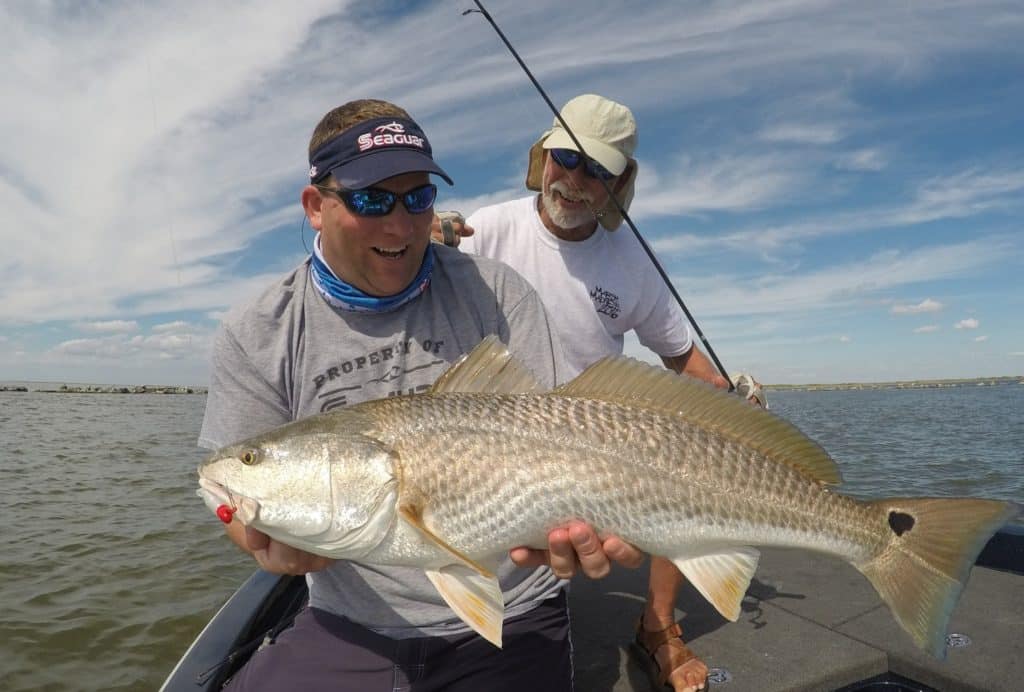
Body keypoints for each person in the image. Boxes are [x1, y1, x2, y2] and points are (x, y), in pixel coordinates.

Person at [198, 98, 643, 692]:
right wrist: (261, 546)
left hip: (515, 610)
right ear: (315, 206)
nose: (400, 224)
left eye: (418, 198)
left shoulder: (498, 293)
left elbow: (558, 439)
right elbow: (231, 489)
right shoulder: (259, 331)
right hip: (349, 620)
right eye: (372, 199)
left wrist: (609, 512)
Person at [435, 94, 739, 692]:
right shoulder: (483, 228)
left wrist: (729, 399)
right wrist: (424, 238)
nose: (575, 181)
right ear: (542, 157)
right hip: (491, 438)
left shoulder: (632, 261)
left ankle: (659, 628)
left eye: (596, 169)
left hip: (600, 434)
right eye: (566, 158)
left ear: (620, 183)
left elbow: (681, 357)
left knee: (682, 469)